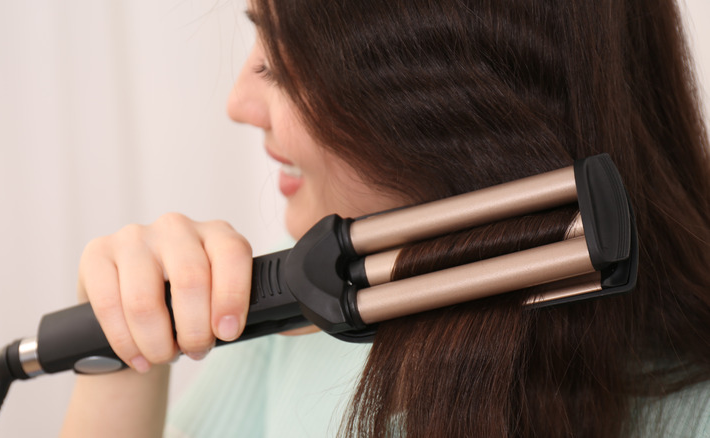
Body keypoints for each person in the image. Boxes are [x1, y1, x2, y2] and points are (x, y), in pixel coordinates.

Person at [61, 0, 710, 437]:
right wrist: (119, 345)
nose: (238, 103)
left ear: (448, 100)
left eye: (285, 66)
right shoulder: (279, 345)